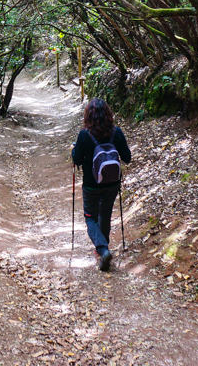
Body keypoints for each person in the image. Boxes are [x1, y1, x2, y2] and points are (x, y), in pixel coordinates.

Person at [72, 97, 131, 271]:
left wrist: (75, 149)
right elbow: (127, 157)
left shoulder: (84, 135)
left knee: (90, 217)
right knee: (104, 214)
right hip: (112, 183)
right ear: (108, 114)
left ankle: (103, 250)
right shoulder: (116, 132)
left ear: (88, 115)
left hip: (91, 184)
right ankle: (103, 251)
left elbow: (77, 159)